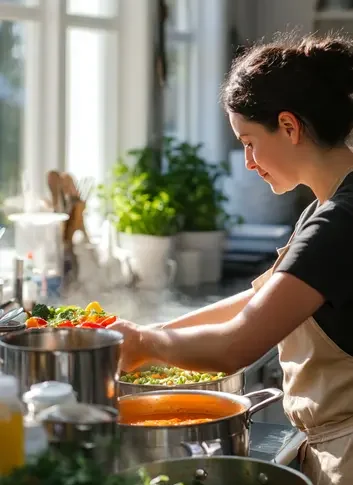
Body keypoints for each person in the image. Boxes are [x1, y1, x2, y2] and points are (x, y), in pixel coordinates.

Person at [108, 32, 353, 485]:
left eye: (249, 141)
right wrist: (151, 333)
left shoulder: (339, 222)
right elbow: (258, 301)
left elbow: (236, 345)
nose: (248, 161)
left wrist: (145, 345)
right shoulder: (324, 206)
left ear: (289, 126)